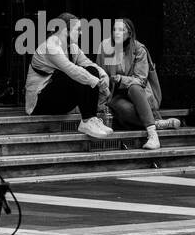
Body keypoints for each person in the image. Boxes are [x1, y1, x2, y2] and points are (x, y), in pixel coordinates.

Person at [25, 12, 113, 139]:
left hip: (59, 101)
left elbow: (89, 64)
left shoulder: (72, 48)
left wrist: (104, 76)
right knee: (75, 73)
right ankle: (87, 120)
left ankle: (91, 119)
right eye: (78, 30)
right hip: (39, 103)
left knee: (90, 70)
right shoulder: (50, 46)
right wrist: (98, 84)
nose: (81, 33)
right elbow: (71, 70)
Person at [97, 18, 180, 150]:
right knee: (124, 109)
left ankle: (153, 136)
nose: (116, 33)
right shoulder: (105, 47)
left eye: (121, 29)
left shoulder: (139, 49)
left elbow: (140, 80)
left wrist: (120, 79)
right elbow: (100, 74)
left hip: (138, 93)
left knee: (134, 87)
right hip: (116, 95)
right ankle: (157, 123)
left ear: (129, 33)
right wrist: (100, 105)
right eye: (114, 29)